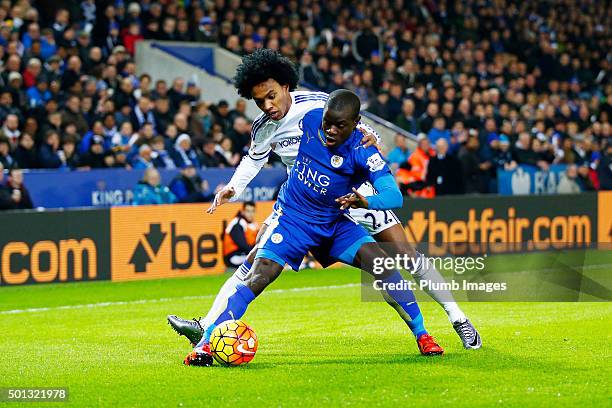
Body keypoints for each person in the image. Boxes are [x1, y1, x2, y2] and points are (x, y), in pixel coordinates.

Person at [167, 50, 480, 357]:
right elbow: (253, 159)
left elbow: (358, 126)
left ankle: (457, 318)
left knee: (405, 255)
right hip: (302, 199)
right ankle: (207, 329)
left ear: (286, 85)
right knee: (255, 260)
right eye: (260, 101)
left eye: (271, 96)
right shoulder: (264, 127)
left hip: (353, 192)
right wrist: (232, 188)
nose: (267, 105)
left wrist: (368, 136)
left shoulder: (318, 106)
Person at [223, 201, 259, 268]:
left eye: (252, 211)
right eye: (248, 211)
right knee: (259, 262)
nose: (250, 214)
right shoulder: (238, 223)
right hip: (233, 256)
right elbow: (242, 245)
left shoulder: (254, 225)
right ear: (243, 211)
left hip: (244, 254)